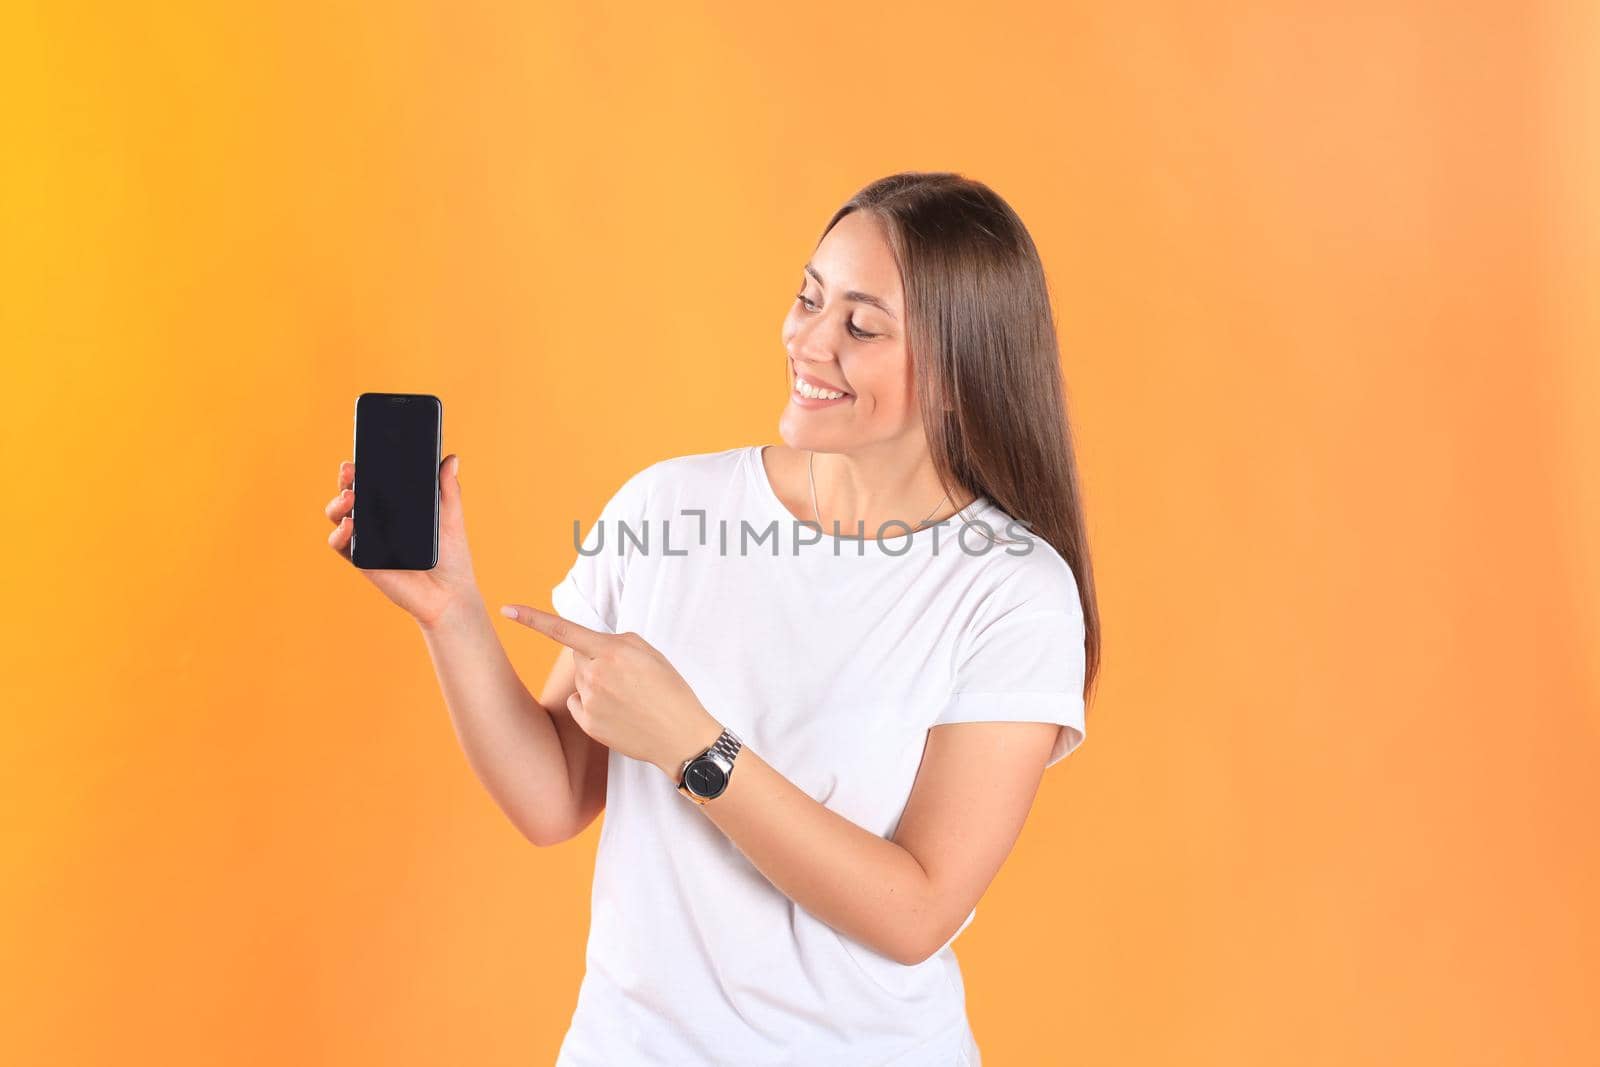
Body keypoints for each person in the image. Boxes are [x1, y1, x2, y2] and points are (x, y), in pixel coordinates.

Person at [325, 171, 1101, 1066]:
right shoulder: (666, 508)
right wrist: (449, 610)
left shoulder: (1009, 590)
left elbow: (916, 910)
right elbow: (552, 798)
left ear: (967, 370)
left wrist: (695, 746)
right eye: (808, 299)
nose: (810, 342)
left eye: (861, 325)